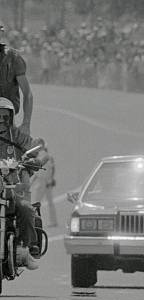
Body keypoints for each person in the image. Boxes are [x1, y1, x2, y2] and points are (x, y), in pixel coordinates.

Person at [0, 97, 43, 271]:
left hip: (12, 188)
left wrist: (34, 161)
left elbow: (36, 152)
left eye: (5, 116)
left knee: (25, 209)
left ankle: (26, 248)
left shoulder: (16, 135)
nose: (2, 120)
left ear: (10, 117)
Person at [0, 23, 33, 139]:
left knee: (25, 150)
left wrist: (26, 124)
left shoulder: (13, 58)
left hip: (7, 120)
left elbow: (27, 93)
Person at [30, 140, 58, 227]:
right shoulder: (41, 157)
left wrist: (51, 179)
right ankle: (35, 220)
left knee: (40, 202)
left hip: (46, 182)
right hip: (41, 181)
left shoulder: (47, 157)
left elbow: (52, 169)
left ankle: (52, 221)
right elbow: (37, 173)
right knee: (37, 202)